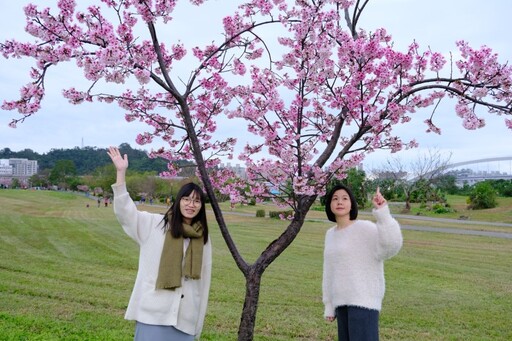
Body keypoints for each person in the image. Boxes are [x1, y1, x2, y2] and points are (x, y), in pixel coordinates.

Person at [107, 146, 212, 341]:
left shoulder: (202, 238)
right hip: (153, 315)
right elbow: (125, 213)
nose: (191, 204)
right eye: (187, 199)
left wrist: (198, 325)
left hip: (185, 320)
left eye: (196, 201)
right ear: (178, 201)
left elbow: (203, 284)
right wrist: (121, 174)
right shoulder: (154, 224)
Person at [322, 184, 402, 341]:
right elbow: (329, 271)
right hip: (341, 304)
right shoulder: (330, 234)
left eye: (345, 198)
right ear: (329, 204)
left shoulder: (365, 228)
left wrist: (383, 213)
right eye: (335, 199)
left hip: (363, 302)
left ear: (351, 204)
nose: (339, 202)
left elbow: (391, 246)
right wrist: (329, 305)